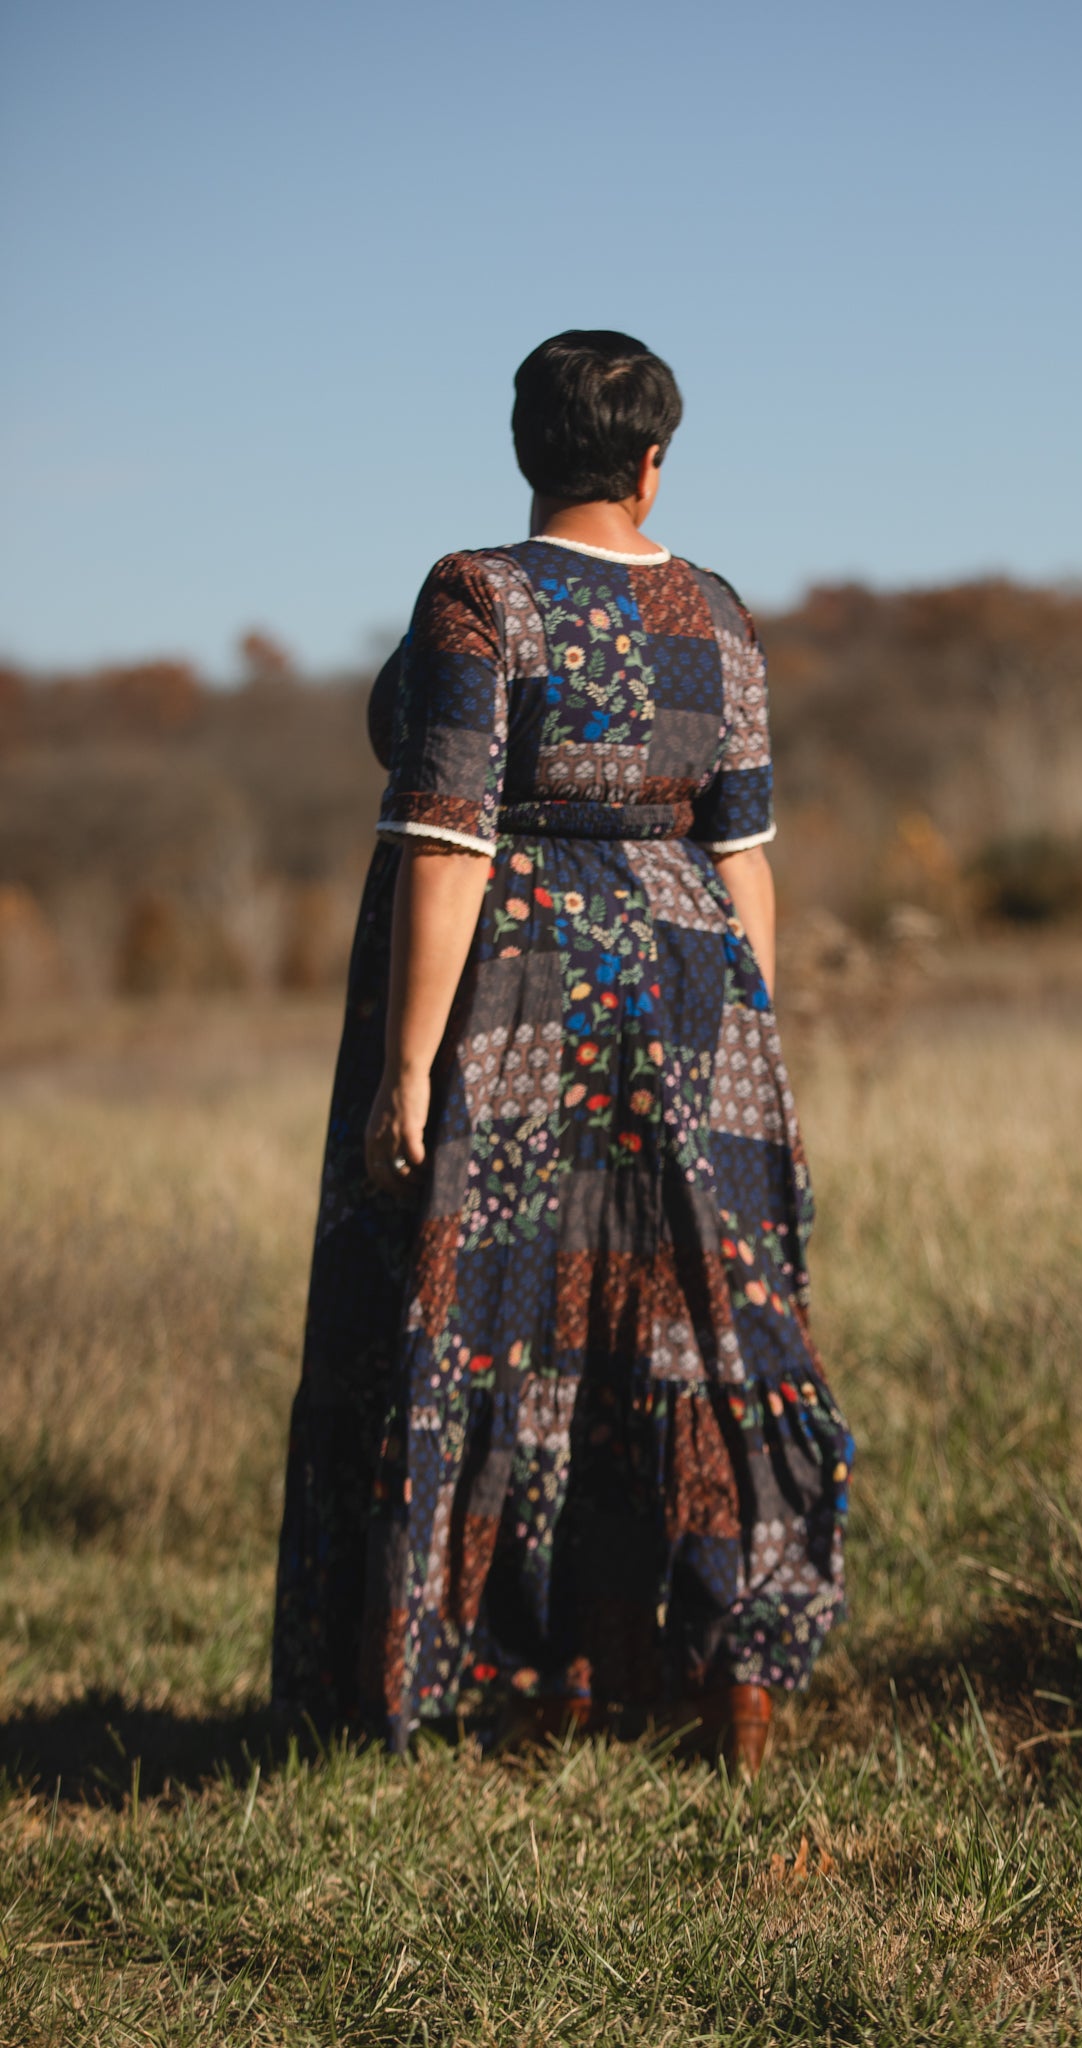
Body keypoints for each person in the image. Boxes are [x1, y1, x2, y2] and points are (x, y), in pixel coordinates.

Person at [272, 331, 851, 1771]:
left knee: (499, 1315)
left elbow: (448, 841)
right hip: (696, 983)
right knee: (694, 1321)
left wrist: (408, 1068)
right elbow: (745, 854)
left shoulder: (479, 594)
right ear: (653, 462)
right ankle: (725, 1673)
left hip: (518, 993)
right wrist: (747, 1046)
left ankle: (515, 1675)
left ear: (526, 449)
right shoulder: (717, 611)